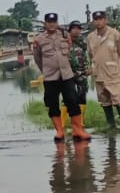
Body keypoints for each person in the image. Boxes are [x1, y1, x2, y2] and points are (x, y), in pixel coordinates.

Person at [32, 12, 88, 141]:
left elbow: (68, 52)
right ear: (45, 24)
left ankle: (77, 130)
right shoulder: (39, 40)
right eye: (49, 22)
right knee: (52, 104)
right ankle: (59, 131)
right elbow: (38, 59)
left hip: (66, 75)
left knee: (73, 101)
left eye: (54, 22)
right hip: (50, 77)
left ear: (57, 23)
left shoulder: (64, 35)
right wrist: (46, 70)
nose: (52, 24)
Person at [86, 11, 120, 133]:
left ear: (106, 20)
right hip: (98, 72)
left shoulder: (114, 34)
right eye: (96, 19)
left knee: (118, 97)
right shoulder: (90, 37)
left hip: (113, 72)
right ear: (93, 21)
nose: (98, 21)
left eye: (101, 19)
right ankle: (111, 124)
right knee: (104, 99)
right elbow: (90, 54)